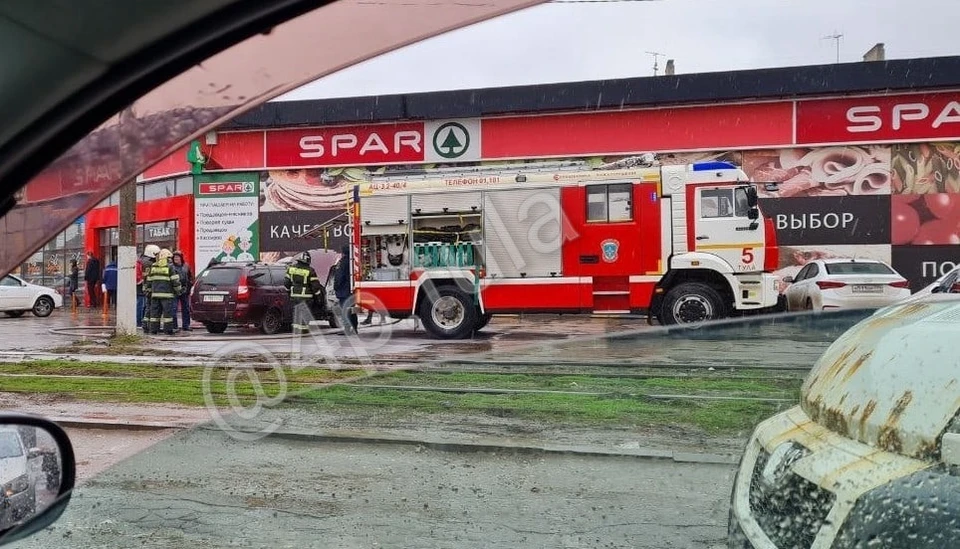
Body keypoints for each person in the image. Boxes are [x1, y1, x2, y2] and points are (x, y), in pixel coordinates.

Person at [284, 251, 323, 335]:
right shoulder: (310, 270)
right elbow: (315, 286)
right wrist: (318, 296)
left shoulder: (291, 269)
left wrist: (289, 291)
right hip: (306, 296)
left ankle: (296, 329)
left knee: (296, 311)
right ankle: (304, 329)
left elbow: (286, 283)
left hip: (294, 295)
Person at [144, 248, 182, 335]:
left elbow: (149, 281)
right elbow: (175, 280)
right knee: (167, 314)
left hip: (155, 295)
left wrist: (148, 291)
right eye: (169, 258)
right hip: (167, 295)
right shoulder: (170, 267)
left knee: (155, 314)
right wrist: (179, 290)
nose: (170, 260)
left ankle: (153, 329)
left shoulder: (154, 266)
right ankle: (168, 330)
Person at [334, 244, 358, 334]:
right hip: (351, 290)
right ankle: (355, 328)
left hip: (343, 291)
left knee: (345, 310)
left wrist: (336, 287)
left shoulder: (343, 262)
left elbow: (339, 277)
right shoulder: (353, 261)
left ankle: (347, 329)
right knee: (351, 310)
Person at [137, 245, 159, 329]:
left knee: (142, 304)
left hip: (141, 285)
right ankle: (142, 322)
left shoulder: (141, 260)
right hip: (146, 286)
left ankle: (140, 322)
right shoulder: (149, 263)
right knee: (145, 305)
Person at [171, 251, 193, 331]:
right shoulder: (171, 267)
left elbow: (190, 277)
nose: (176, 258)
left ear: (181, 258)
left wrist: (189, 286)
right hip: (174, 291)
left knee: (186, 308)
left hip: (185, 290)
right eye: (174, 257)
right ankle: (174, 326)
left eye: (177, 257)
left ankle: (186, 325)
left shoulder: (186, 266)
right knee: (173, 308)